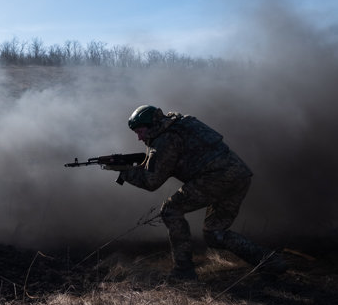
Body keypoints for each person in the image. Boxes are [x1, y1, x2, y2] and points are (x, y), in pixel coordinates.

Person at [109, 105, 286, 281]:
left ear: (151, 125)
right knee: (214, 233)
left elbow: (151, 181)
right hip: (238, 176)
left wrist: (124, 171)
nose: (139, 138)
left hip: (216, 178)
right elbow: (157, 166)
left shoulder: (165, 139)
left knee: (171, 210)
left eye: (140, 132)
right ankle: (271, 262)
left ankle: (183, 271)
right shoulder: (179, 123)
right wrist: (134, 166)